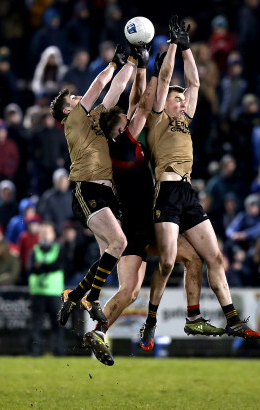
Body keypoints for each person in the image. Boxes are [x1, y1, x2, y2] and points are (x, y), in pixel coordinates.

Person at [97, 35, 227, 358]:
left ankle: (102, 332)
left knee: (133, 288)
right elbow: (141, 103)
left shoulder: (117, 145)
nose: (130, 119)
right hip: (145, 219)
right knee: (167, 269)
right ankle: (126, 321)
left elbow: (136, 102)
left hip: (137, 222)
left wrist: (139, 66)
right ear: (120, 127)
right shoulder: (129, 141)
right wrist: (148, 65)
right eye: (125, 120)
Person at [140, 16, 260, 350]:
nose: (180, 101)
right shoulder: (157, 117)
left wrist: (189, 49)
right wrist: (174, 46)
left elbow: (193, 83)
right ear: (163, 102)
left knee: (214, 258)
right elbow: (167, 76)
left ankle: (231, 321)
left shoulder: (183, 121)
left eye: (181, 100)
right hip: (164, 192)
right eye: (175, 98)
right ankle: (150, 322)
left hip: (187, 192)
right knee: (166, 263)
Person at [49, 42, 137, 364]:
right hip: (88, 191)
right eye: (74, 99)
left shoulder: (94, 120)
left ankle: (78, 295)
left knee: (107, 256)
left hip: (106, 194)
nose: (79, 99)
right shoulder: (72, 122)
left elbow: (113, 92)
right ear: (67, 111)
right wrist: (114, 62)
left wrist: (133, 62)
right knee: (120, 242)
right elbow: (101, 83)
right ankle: (92, 297)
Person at [27, 222, 65, 357]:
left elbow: (58, 265)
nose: (45, 236)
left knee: (57, 325)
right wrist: (45, 267)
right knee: (36, 324)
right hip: (38, 292)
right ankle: (35, 352)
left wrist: (41, 266)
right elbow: (30, 269)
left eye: (47, 233)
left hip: (54, 292)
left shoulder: (58, 249)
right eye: (42, 234)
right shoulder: (35, 250)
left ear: (53, 235)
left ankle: (58, 352)